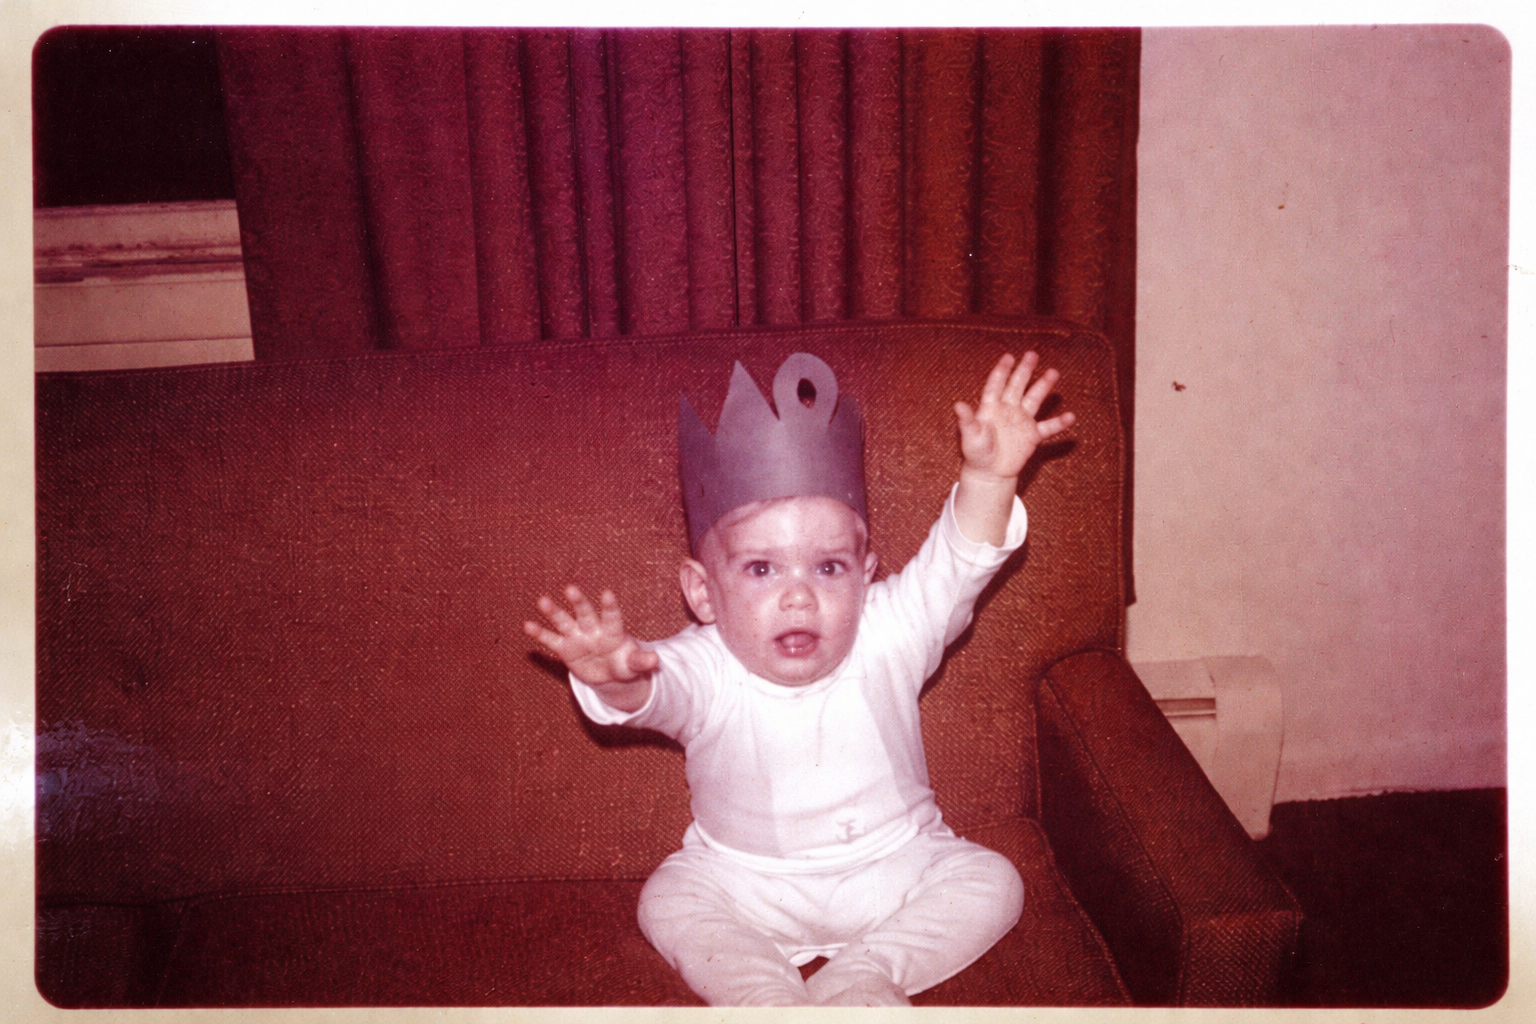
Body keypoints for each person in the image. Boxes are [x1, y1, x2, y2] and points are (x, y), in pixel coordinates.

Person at [524, 350, 1075, 1006]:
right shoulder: (705, 664)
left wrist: (988, 477)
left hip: (897, 865)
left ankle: (865, 976)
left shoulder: (889, 630)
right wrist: (617, 678)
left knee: (993, 881)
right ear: (702, 592)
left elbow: (958, 565)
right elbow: (659, 689)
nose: (798, 596)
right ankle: (765, 999)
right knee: (668, 897)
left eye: (828, 567)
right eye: (761, 569)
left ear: (865, 576)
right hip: (743, 883)